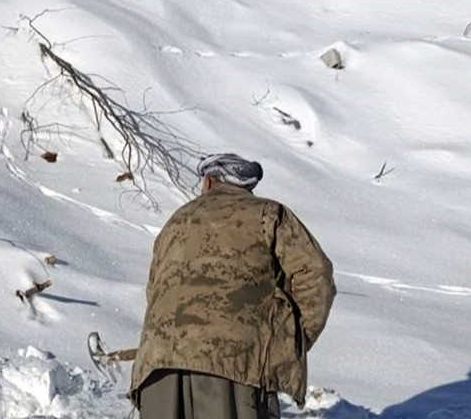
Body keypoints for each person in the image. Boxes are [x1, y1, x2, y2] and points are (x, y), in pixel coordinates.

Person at [130, 154, 336, 419]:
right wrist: (291, 342)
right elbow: (317, 276)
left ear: (208, 182)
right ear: (245, 186)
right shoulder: (268, 215)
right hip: (234, 364)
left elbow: (155, 290)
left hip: (157, 366)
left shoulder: (176, 221)